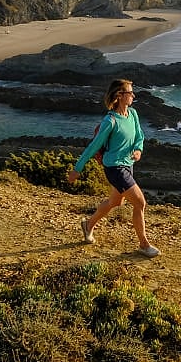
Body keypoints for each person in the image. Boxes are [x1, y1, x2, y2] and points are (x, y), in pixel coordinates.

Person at [67, 79, 160, 257]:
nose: (133, 96)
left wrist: (138, 150)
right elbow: (93, 146)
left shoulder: (132, 114)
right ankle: (144, 245)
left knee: (115, 202)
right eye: (129, 93)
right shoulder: (110, 121)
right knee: (140, 203)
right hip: (114, 167)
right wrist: (77, 169)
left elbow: (139, 135)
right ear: (119, 96)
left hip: (128, 165)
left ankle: (88, 225)